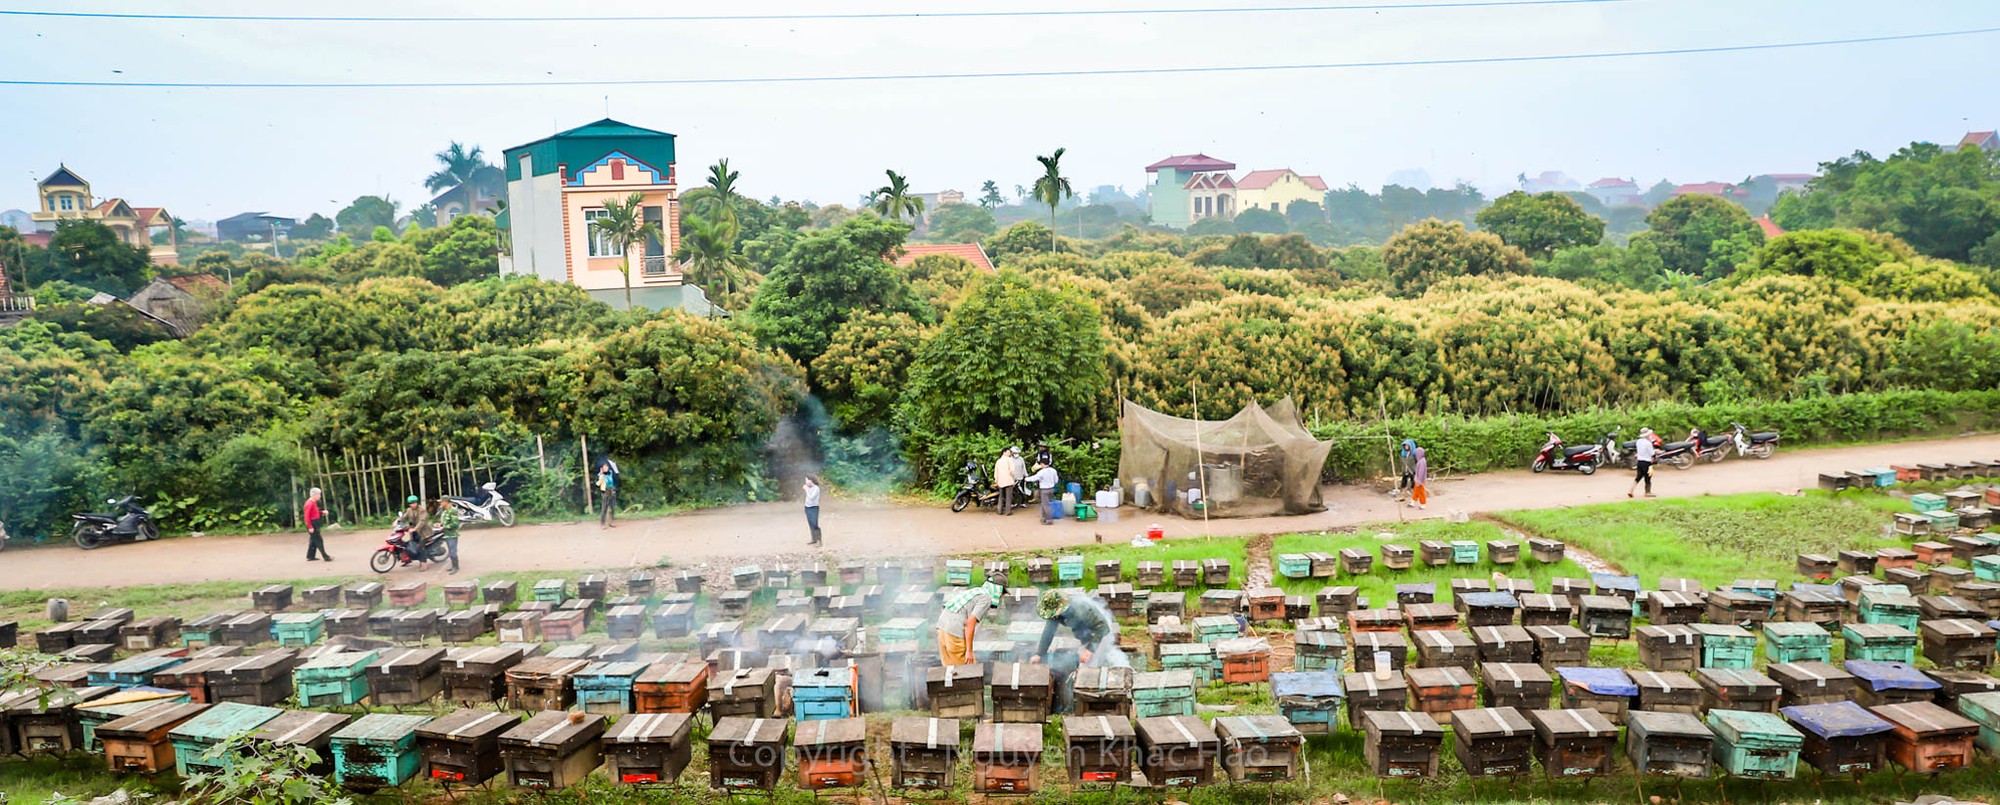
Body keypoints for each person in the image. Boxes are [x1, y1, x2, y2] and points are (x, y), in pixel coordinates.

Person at [1032, 589, 1127, 712]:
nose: (1053, 617)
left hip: (1099, 635)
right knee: (1082, 668)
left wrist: (1090, 650)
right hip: (1086, 637)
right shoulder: (1055, 613)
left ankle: (1093, 707)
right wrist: (1039, 653)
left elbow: (1103, 628)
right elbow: (1048, 632)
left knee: (1088, 671)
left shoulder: (1080, 608)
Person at [936, 581, 1002, 666]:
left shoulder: (975, 591)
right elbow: (970, 623)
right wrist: (969, 651)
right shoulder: (986, 598)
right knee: (967, 671)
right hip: (954, 634)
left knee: (949, 671)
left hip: (942, 629)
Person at [393, 495, 431, 567]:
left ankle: (424, 564)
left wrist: (415, 529)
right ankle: (407, 559)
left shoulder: (422, 510)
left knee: (420, 547)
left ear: (417, 502)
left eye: (414, 503)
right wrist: (397, 521)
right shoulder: (409, 510)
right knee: (409, 545)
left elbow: (422, 521)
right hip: (414, 532)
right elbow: (404, 518)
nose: (412, 504)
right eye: (411, 503)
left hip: (423, 532)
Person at [433, 497, 462, 574]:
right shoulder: (445, 511)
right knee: (450, 551)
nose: (440, 503)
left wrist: (444, 527)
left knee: (453, 552)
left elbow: (455, 524)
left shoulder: (453, 510)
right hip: (447, 534)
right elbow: (446, 521)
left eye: (441, 502)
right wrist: (440, 524)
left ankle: (456, 567)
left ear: (446, 502)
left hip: (452, 534)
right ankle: (453, 566)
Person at [303, 487, 332, 562]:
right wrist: (310, 526)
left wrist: (322, 512)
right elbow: (307, 516)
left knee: (313, 540)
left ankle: (310, 556)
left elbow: (314, 513)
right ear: (314, 495)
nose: (320, 496)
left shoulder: (313, 503)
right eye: (319, 494)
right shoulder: (309, 504)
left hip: (315, 522)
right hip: (312, 523)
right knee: (319, 540)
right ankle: (326, 556)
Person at [1629, 426, 1657, 498]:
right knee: (1648, 477)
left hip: (1640, 461)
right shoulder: (1648, 443)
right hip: (1647, 462)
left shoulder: (1638, 442)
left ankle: (1630, 490)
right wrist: (1655, 455)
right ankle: (1647, 492)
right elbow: (1651, 453)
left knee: (1638, 477)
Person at [1402, 439, 1429, 510]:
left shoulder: (1422, 462)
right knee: (1416, 491)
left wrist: (1419, 480)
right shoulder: (1420, 461)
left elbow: (1421, 472)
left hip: (1420, 480)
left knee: (1421, 492)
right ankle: (1413, 501)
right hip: (1417, 479)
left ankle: (1423, 504)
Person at [992, 448, 1018, 516]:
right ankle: (1008, 511)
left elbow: (996, 472)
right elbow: (1012, 471)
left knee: (1001, 496)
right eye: (1008, 452)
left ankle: (999, 510)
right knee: (1008, 497)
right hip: (1008, 480)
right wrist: (1014, 479)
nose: (1010, 453)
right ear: (1004, 452)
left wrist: (996, 480)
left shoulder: (998, 461)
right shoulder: (1009, 460)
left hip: (1000, 481)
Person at [597, 456, 620, 529]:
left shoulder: (610, 473)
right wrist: (601, 474)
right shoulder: (601, 475)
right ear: (602, 468)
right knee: (604, 507)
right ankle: (602, 523)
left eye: (607, 466)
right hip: (605, 491)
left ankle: (611, 521)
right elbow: (598, 483)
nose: (606, 468)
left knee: (612, 507)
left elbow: (615, 476)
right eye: (604, 467)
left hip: (612, 489)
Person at [803, 475, 823, 546]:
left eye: (807, 480)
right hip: (807, 507)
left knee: (814, 523)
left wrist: (806, 490)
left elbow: (811, 497)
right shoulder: (808, 487)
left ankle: (819, 540)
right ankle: (813, 539)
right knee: (810, 523)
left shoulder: (816, 488)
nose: (806, 482)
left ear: (811, 480)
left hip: (814, 507)